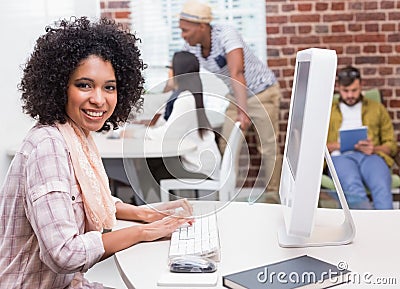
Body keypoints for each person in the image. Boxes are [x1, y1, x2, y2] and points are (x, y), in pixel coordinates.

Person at [0, 17, 193, 288]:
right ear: (59, 86)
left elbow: (87, 197)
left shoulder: (74, 136)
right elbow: (65, 253)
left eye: (109, 87)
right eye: (84, 85)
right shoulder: (48, 147)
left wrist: (145, 213)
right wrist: (143, 232)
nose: (99, 99)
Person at [177, 0, 282, 196]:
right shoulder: (192, 47)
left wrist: (243, 112)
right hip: (236, 95)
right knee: (227, 144)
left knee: (268, 147)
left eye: (185, 30)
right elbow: (180, 72)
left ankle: (273, 197)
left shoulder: (226, 33)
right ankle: (227, 194)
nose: (183, 35)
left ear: (202, 26)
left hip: (262, 93)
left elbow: (237, 72)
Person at [326, 65, 397, 209]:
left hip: (371, 156)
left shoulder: (376, 108)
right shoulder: (328, 111)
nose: (350, 95)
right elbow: (316, 144)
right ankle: (367, 229)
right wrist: (339, 145)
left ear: (361, 86)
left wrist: (374, 148)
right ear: (338, 88)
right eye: (345, 91)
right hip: (340, 157)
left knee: (382, 186)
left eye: (354, 90)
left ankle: (386, 228)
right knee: (353, 187)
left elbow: (392, 145)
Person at [145, 51, 221, 184]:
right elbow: (165, 124)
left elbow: (168, 134)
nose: (168, 73)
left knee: (150, 164)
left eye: (170, 68)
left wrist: (139, 134)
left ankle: (150, 203)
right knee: (153, 162)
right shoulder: (185, 95)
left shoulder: (185, 99)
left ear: (178, 72)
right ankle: (149, 203)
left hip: (199, 169)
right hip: (200, 165)